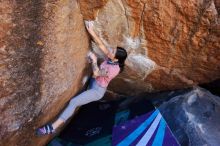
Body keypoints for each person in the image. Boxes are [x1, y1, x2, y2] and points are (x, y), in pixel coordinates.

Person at [36, 21, 127, 136]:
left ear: (116, 59)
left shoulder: (114, 69)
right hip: (94, 82)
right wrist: (91, 30)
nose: (110, 51)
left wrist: (94, 61)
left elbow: (96, 73)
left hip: (97, 91)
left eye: (113, 51)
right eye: (112, 50)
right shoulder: (111, 58)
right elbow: (101, 45)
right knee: (78, 97)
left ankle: (52, 127)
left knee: (74, 102)